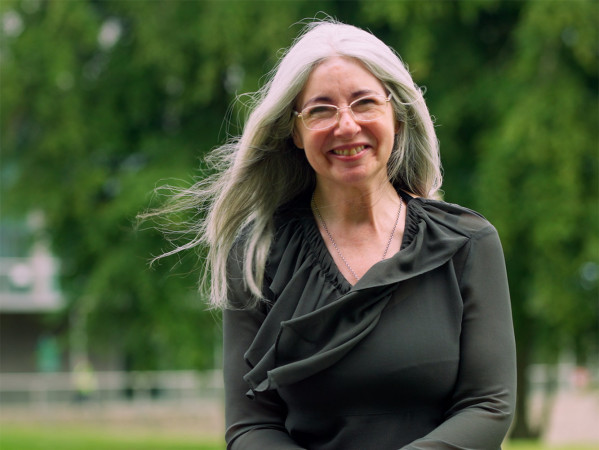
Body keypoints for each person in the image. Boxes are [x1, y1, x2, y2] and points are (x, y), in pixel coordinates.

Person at [157, 19, 516, 449]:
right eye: (321, 110)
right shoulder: (256, 256)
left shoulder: (468, 244)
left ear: (396, 116)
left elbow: (488, 406)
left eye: (364, 103)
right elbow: (250, 428)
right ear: (296, 131)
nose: (346, 126)